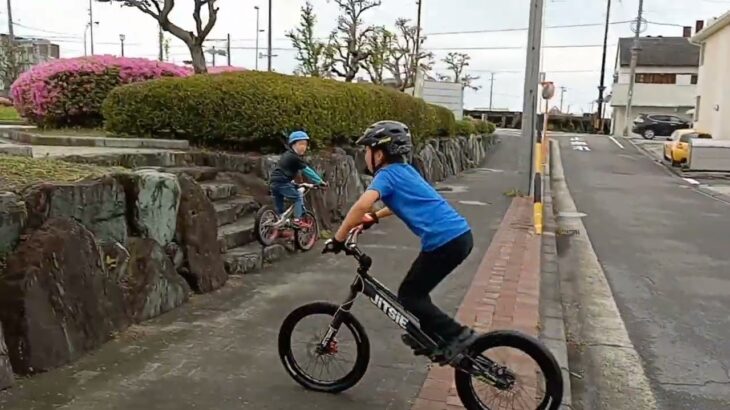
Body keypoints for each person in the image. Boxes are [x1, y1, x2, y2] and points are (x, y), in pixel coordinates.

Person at [323, 120, 479, 362]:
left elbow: (362, 204)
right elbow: (397, 204)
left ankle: (458, 335)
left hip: (445, 241)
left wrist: (338, 238)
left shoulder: (387, 175)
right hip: (458, 237)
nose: (365, 156)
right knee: (416, 293)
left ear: (380, 153)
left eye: (367, 150)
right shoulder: (405, 171)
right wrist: (374, 217)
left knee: (410, 295)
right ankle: (435, 340)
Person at [269, 131, 326, 226]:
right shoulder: (294, 157)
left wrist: (300, 184)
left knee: (279, 200)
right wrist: (320, 181)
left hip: (275, 181)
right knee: (297, 197)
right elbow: (308, 171)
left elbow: (285, 172)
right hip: (282, 182)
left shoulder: (287, 155)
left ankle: (280, 219)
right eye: (300, 144)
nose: (303, 147)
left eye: (305, 144)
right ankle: (297, 220)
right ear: (293, 145)